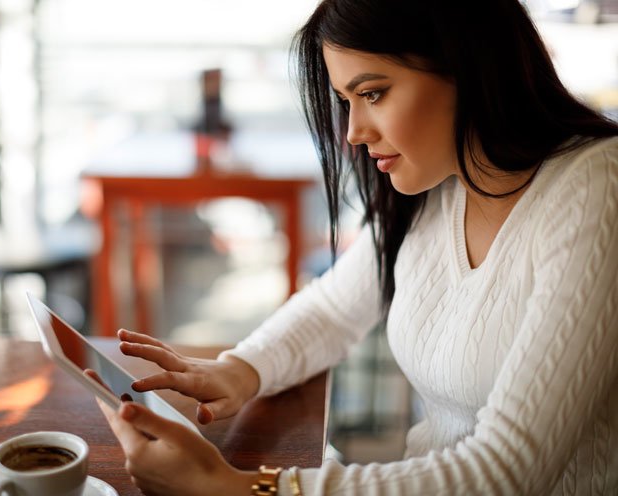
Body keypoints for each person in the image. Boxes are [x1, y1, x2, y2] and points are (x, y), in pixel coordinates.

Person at [95, 0, 618, 494]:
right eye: (346, 101)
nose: (352, 132)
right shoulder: (444, 182)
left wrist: (238, 488)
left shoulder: (597, 187)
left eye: (373, 93)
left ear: (470, 64)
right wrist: (239, 369)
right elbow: (332, 309)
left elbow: (508, 472)